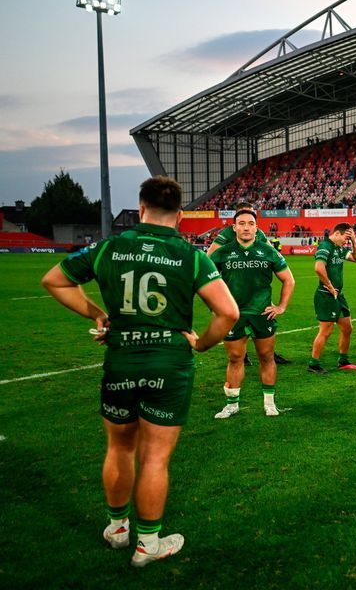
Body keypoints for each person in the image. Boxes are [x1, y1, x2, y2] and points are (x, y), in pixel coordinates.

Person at [40, 176, 239, 567]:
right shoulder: (191, 255)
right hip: (170, 364)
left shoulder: (110, 248)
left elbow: (54, 280)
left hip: (122, 361)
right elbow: (228, 313)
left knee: (119, 447)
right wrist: (199, 343)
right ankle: (148, 544)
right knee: (154, 459)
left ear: (140, 207)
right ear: (181, 215)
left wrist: (99, 314)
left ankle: (117, 529)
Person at [209, 208, 295, 418]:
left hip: (261, 313)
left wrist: (281, 307)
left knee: (266, 357)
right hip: (234, 315)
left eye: (250, 223)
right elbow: (207, 282)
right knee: (235, 357)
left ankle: (269, 403)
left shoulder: (268, 251)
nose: (246, 227)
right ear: (234, 227)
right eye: (241, 223)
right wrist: (216, 307)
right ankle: (232, 404)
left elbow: (289, 280)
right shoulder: (221, 253)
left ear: (257, 227)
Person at [207, 202, 292, 366]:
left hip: (257, 290)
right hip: (234, 286)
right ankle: (242, 356)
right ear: (236, 221)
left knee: (262, 331)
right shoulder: (226, 234)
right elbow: (211, 255)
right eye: (243, 219)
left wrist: (277, 261)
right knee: (236, 344)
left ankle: (269, 354)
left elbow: (269, 250)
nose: (247, 224)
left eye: (251, 217)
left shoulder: (258, 232)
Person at [308, 222, 356, 373]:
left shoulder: (339, 249)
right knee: (326, 330)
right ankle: (313, 364)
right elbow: (319, 268)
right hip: (326, 295)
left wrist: (353, 241)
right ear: (337, 233)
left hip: (339, 295)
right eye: (345, 238)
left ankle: (343, 361)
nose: (346, 241)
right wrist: (331, 287)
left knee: (347, 327)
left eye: (348, 239)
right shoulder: (325, 246)